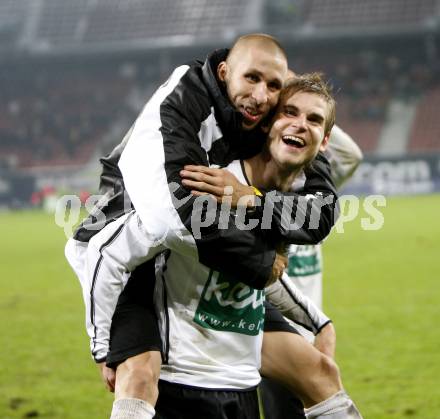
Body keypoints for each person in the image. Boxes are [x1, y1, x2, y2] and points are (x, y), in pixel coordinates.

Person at [66, 34, 337, 418]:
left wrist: (252, 197)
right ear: (225, 73)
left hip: (195, 256)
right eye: (252, 79)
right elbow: (174, 220)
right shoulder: (184, 103)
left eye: (273, 86)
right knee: (139, 372)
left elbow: (319, 204)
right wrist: (262, 261)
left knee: (319, 370)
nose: (261, 96)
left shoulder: (255, 122)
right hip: (126, 246)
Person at [259, 125, 363, 418]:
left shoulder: (317, 194)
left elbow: (350, 155)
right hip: (277, 331)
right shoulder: (261, 194)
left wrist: (318, 128)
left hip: (312, 330)